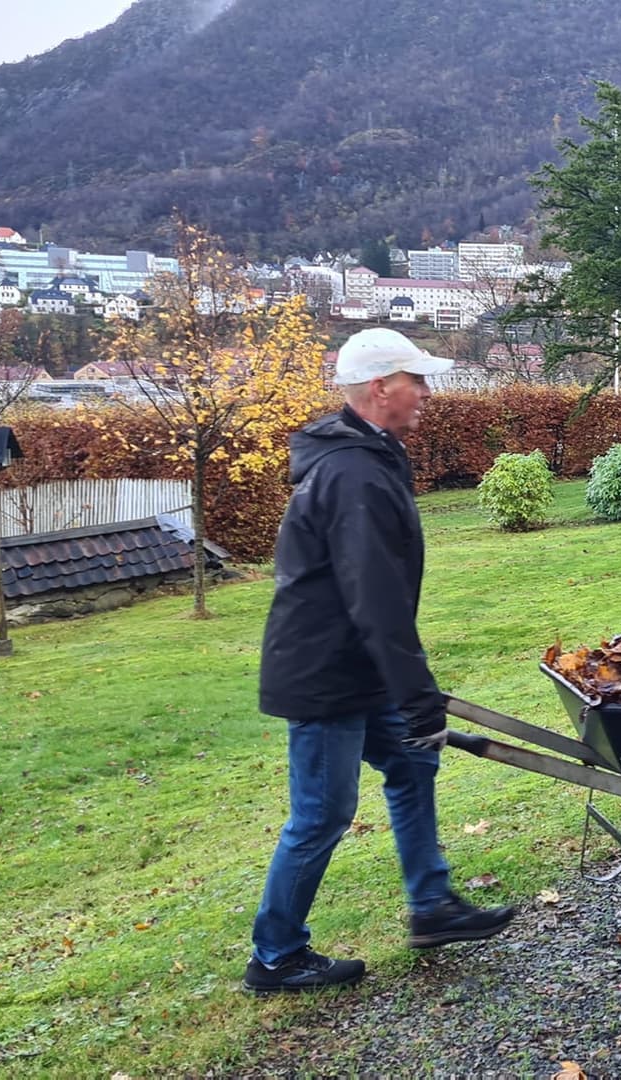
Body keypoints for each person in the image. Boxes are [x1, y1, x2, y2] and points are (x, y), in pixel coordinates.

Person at [244, 327, 516, 995]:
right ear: (378, 389)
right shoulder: (352, 471)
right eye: (415, 380)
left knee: (412, 758)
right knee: (322, 814)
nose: (426, 391)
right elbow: (375, 597)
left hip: (354, 665)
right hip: (325, 674)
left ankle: (432, 906)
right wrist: (416, 692)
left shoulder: (370, 454)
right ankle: (275, 956)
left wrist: (409, 695)